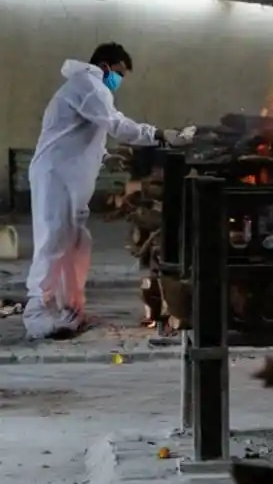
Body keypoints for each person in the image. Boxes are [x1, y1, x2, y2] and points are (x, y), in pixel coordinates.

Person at [23, 42, 192, 340]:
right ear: (105, 66)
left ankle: (68, 311)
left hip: (66, 176)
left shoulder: (86, 88)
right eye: (119, 73)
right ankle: (37, 315)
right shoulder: (90, 85)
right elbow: (114, 124)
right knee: (53, 242)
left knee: (75, 243)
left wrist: (104, 157)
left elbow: (83, 132)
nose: (119, 80)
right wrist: (159, 134)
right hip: (57, 177)